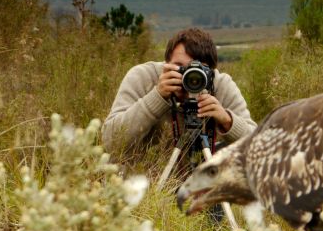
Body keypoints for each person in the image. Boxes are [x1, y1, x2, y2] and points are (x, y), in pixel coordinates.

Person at [102, 28, 256, 171]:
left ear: (212, 72)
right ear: (166, 64)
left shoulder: (221, 85)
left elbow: (259, 146)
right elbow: (111, 143)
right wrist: (157, 97)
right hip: (147, 184)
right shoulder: (143, 77)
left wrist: (227, 121)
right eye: (180, 67)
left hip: (203, 187)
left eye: (199, 71)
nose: (190, 77)